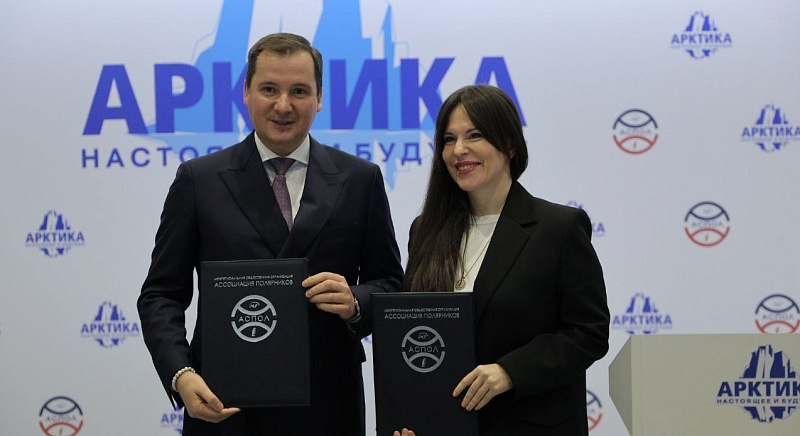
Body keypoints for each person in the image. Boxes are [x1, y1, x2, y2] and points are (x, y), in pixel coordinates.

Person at [137, 33, 403, 435]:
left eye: (299, 91)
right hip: (225, 405)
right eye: (269, 89)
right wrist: (181, 374)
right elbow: (161, 294)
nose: (283, 105)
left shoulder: (360, 179)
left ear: (319, 97)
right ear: (246, 92)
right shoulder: (199, 181)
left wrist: (354, 302)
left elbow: (389, 284)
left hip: (328, 407)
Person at [397, 85, 609, 436]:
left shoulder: (558, 228)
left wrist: (509, 371)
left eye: (474, 135)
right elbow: (415, 334)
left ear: (509, 144)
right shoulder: (425, 230)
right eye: (449, 139)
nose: (459, 150)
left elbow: (588, 333)